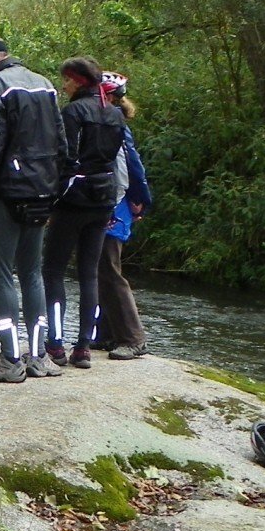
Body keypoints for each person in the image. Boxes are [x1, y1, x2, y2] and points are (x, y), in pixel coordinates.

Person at [0, 32, 63, 384]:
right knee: (32, 273)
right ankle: (38, 357)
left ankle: (9, 358)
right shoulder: (45, 84)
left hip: (5, 193)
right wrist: (54, 192)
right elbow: (61, 144)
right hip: (41, 191)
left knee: (1, 274)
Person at [42, 56, 128, 370]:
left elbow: (63, 158)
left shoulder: (74, 111)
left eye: (66, 80)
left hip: (73, 200)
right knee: (88, 273)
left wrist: (50, 198)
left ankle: (55, 344)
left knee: (52, 271)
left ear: (78, 81)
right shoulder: (116, 114)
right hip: (103, 200)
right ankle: (83, 348)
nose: (63, 85)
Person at [95, 74, 154, 359]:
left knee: (109, 270)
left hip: (114, 205)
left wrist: (139, 201)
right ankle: (107, 334)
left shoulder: (113, 124)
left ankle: (133, 339)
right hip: (112, 203)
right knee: (100, 269)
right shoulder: (110, 120)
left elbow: (131, 166)